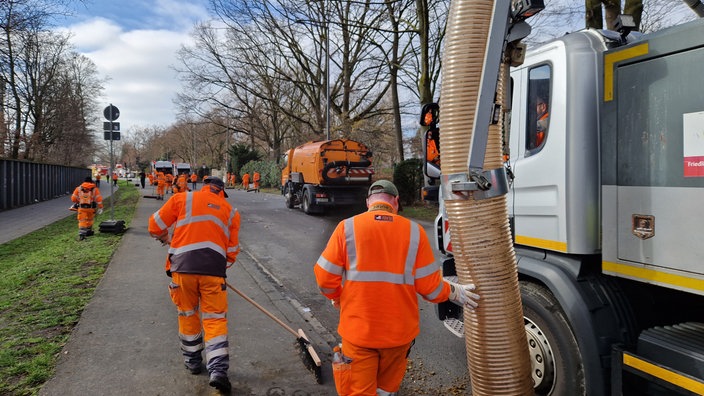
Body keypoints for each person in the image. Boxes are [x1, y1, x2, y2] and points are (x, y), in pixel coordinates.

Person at [314, 180, 479, 395]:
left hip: (359, 334)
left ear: (368, 203)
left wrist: (337, 297)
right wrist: (456, 292)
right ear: (396, 202)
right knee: (385, 390)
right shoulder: (414, 232)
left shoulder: (347, 228)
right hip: (398, 336)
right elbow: (431, 289)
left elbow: (325, 279)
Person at [148, 176, 240, 393]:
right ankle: (218, 370)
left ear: (204, 186)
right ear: (221, 192)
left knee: (187, 314)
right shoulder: (231, 212)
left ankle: (193, 363)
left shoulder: (183, 199)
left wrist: (163, 237)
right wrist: (215, 269)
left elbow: (154, 225)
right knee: (215, 319)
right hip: (213, 273)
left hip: (182, 269)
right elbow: (232, 253)